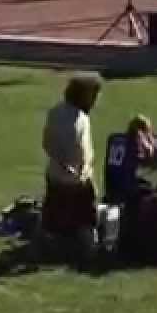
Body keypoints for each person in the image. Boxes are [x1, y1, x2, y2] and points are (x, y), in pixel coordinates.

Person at [41, 72, 104, 256]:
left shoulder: (54, 112)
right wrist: (82, 170)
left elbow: (47, 142)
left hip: (54, 174)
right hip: (76, 178)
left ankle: (50, 243)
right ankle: (89, 250)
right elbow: (80, 150)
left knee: (53, 214)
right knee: (87, 217)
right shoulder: (80, 119)